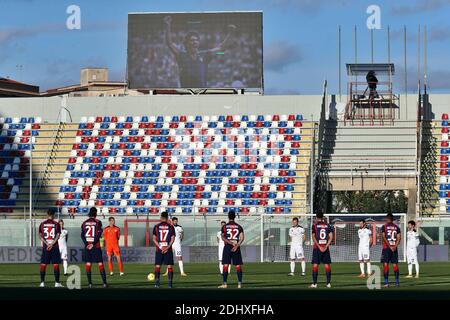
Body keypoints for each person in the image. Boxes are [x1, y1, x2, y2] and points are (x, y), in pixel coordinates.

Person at [164, 15, 236, 88]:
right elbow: (170, 44)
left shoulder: (204, 55)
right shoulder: (181, 55)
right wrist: (168, 26)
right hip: (187, 94)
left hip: (201, 93)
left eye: (197, 40)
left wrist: (231, 33)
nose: (195, 42)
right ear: (186, 43)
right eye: (192, 40)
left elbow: (221, 48)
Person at [81, 207, 107, 288]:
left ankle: (90, 284)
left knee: (88, 264)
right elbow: (99, 234)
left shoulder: (84, 223)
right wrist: (93, 243)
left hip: (87, 246)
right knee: (100, 263)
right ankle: (104, 283)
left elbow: (82, 235)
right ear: (95, 213)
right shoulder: (98, 222)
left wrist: (87, 244)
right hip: (96, 246)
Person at [219, 211, 244, 289]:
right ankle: (239, 284)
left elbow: (222, 237)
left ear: (228, 217)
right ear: (234, 217)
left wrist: (230, 242)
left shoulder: (224, 227)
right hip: (236, 246)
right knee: (238, 265)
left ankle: (225, 284)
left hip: (227, 247)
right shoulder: (239, 226)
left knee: (226, 265)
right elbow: (242, 238)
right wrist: (237, 245)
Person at [38, 209, 63, 288]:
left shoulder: (42, 224)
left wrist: (47, 244)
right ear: (53, 215)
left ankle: (42, 282)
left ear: (47, 214)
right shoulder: (56, 224)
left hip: (46, 247)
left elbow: (40, 236)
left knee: (43, 264)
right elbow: (58, 235)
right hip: (54, 247)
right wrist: (52, 244)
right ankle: (57, 283)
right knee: (55, 264)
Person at [152, 211, 176, 288]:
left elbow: (154, 239)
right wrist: (167, 247)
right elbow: (172, 239)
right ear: (167, 218)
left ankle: (157, 283)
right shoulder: (171, 226)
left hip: (159, 249)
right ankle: (170, 284)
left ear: (161, 217)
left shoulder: (156, 226)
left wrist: (160, 247)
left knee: (158, 266)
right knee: (169, 266)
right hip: (168, 249)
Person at [310, 212, 333, 288]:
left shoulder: (315, 225)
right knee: (327, 265)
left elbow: (313, 237)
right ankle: (328, 283)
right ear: (323, 217)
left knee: (315, 265)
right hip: (325, 247)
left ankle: (314, 284)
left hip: (317, 248)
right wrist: (326, 246)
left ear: (316, 217)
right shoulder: (327, 225)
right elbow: (331, 237)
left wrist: (319, 246)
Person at [380, 213, 401, 287]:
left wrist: (389, 246)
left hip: (386, 248)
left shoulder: (384, 227)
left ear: (388, 219)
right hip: (394, 249)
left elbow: (383, 237)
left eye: (386, 218)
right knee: (395, 265)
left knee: (385, 264)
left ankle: (386, 283)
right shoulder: (397, 227)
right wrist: (394, 246)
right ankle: (397, 282)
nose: (385, 220)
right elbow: (399, 238)